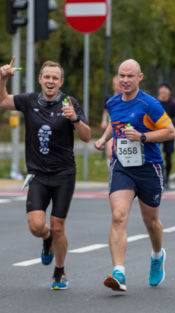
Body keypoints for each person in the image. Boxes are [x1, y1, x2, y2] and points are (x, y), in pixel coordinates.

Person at [0, 58, 91, 289]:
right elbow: (2, 101)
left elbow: (87, 136)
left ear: (61, 82)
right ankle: (47, 239)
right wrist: (2, 79)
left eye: (55, 78)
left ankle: (59, 272)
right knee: (36, 226)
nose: (50, 81)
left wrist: (75, 118)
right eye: (46, 77)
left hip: (63, 174)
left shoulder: (70, 102)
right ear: (40, 79)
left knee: (59, 225)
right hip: (38, 174)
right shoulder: (29, 100)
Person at [94, 59, 175, 291]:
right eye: (122, 76)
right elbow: (115, 122)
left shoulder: (150, 104)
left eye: (130, 76)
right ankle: (119, 272)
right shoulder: (113, 102)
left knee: (151, 221)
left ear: (140, 77)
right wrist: (104, 138)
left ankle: (158, 255)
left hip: (149, 166)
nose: (125, 80)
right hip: (122, 166)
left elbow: (170, 131)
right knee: (118, 215)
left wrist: (142, 137)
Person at [157, 82, 175, 190]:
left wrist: (169, 122)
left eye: (165, 89)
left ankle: (166, 179)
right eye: (161, 89)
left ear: (169, 92)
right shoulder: (154, 102)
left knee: (168, 157)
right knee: (156, 156)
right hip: (156, 133)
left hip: (168, 133)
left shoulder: (173, 104)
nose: (163, 91)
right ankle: (159, 179)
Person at [101, 76, 122, 166]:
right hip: (111, 128)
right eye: (114, 85)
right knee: (110, 152)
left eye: (118, 85)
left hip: (121, 128)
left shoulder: (124, 98)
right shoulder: (109, 99)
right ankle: (111, 171)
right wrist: (104, 121)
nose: (116, 87)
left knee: (118, 152)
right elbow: (105, 111)